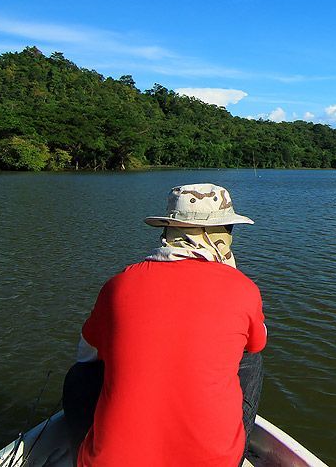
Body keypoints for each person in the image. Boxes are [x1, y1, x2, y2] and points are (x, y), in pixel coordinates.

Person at [63, 183, 267, 467]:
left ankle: (80, 457)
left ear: (168, 232)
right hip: (214, 462)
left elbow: (86, 356)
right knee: (251, 359)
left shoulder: (118, 285)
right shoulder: (244, 289)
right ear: (218, 238)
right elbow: (256, 344)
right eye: (229, 230)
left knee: (79, 375)